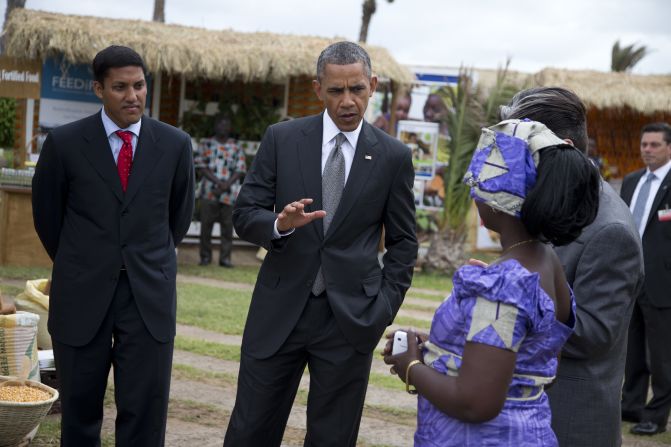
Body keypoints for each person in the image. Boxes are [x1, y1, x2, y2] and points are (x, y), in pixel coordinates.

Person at [224, 41, 418, 446]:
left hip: (350, 321)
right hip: (278, 313)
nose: (348, 101)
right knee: (250, 431)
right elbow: (244, 213)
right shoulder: (282, 138)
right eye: (336, 91)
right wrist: (279, 223)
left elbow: (403, 242)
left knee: (332, 437)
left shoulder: (393, 157)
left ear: (373, 85)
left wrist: (381, 309)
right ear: (317, 89)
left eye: (358, 89)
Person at [384, 118, 600, 446]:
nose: (474, 194)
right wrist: (436, 348)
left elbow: (476, 402)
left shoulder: (505, 286)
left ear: (499, 197)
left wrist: (409, 365)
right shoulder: (545, 260)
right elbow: (525, 358)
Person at [32, 45, 195, 446]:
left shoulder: (175, 145)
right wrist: (84, 261)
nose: (132, 95)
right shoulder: (65, 144)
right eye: (120, 87)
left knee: (145, 409)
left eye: (139, 85)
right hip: (81, 292)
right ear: (98, 89)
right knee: (80, 410)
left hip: (148, 297)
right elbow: (48, 217)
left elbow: (177, 217)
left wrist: (143, 260)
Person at [500, 87, 644, 446]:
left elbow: (593, 335)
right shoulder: (548, 197)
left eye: (525, 144)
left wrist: (507, 300)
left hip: (568, 419)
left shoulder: (611, 231)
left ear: (562, 146)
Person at [621, 122, 671, 436]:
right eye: (644, 144)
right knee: (632, 350)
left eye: (654, 145)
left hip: (663, 284)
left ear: (669, 147)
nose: (647, 150)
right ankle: (631, 406)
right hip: (630, 280)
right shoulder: (631, 181)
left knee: (663, 356)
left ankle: (656, 415)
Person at [194, 114, 247, 267]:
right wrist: (218, 183)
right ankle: (205, 257)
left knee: (227, 228)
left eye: (226, 124)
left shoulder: (236, 146)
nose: (223, 127)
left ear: (230, 128)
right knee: (206, 227)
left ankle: (225, 259)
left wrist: (226, 185)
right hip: (209, 192)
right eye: (220, 124)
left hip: (230, 195)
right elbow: (201, 166)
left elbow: (240, 168)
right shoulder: (206, 144)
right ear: (215, 126)